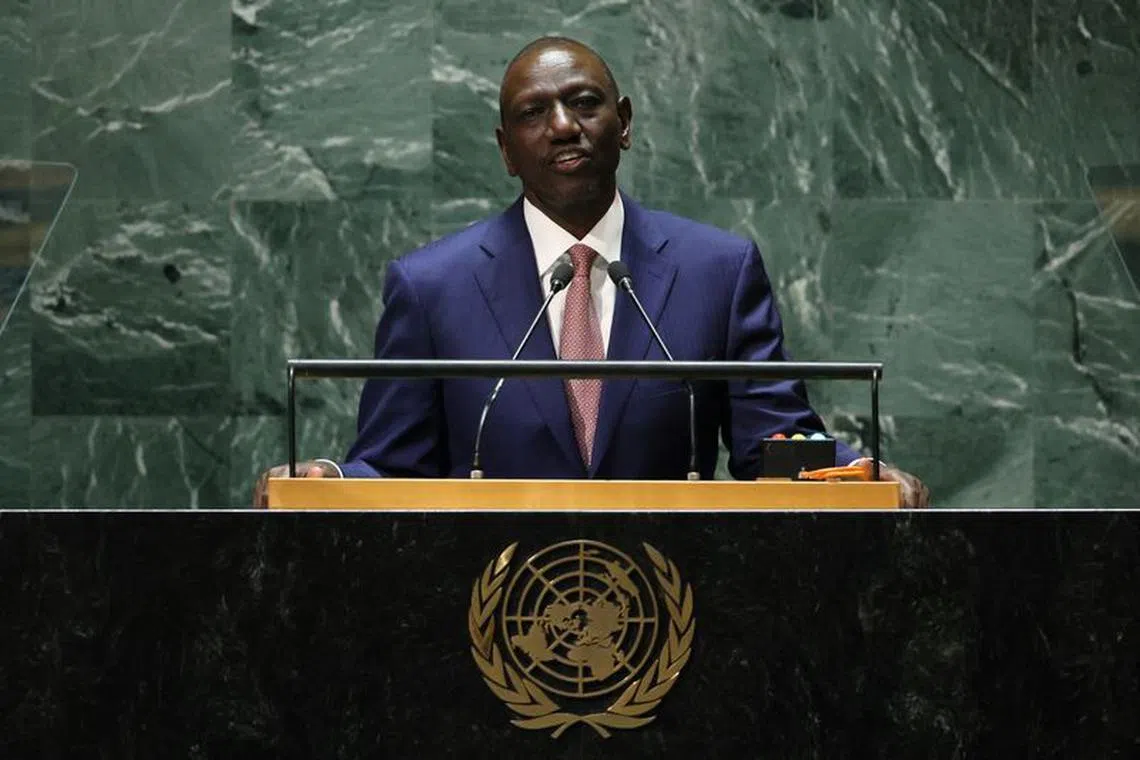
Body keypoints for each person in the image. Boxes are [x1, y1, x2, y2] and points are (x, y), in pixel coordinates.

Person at [254, 36, 929, 507]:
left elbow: (771, 444)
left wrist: (851, 471)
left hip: (675, 600)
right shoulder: (432, 288)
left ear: (624, 123)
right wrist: (324, 477)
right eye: (532, 114)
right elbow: (396, 465)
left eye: (583, 103)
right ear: (506, 151)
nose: (562, 126)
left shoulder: (716, 272)